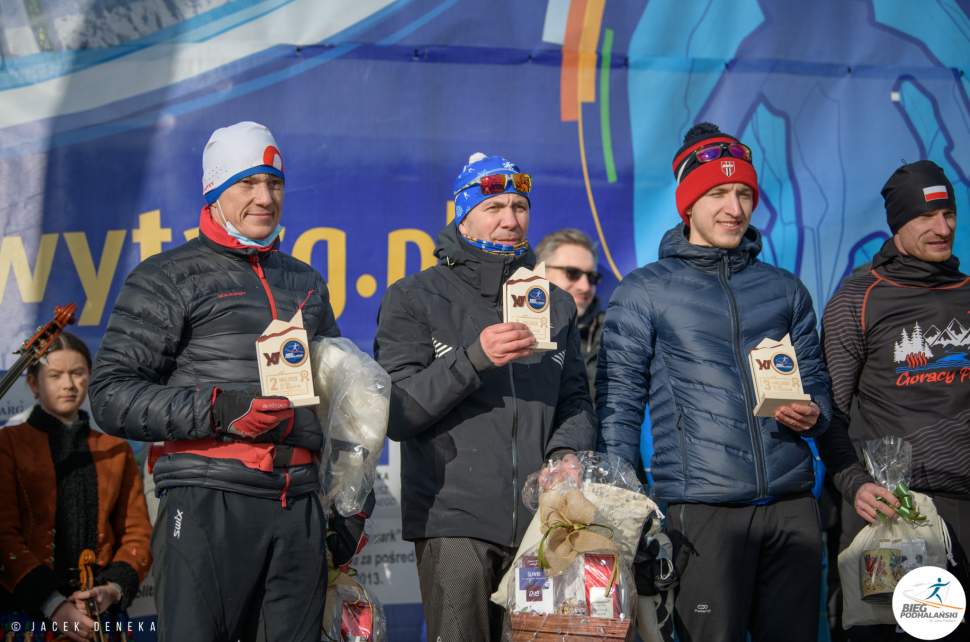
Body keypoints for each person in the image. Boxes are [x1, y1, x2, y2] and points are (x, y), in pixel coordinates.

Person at [89, 122, 361, 642]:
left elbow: (337, 396)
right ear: (214, 191)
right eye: (248, 183)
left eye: (275, 184)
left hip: (297, 507)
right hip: (207, 498)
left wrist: (348, 503)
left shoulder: (303, 280)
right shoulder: (168, 275)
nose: (265, 198)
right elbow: (110, 395)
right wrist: (222, 408)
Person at [597, 123, 833, 642]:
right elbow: (618, 407)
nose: (734, 207)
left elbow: (817, 385)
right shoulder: (644, 292)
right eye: (718, 193)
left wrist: (815, 413)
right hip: (699, 515)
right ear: (687, 204)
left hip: (792, 509)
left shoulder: (784, 289)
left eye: (744, 193)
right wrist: (622, 507)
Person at [373, 153, 596, 642]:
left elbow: (576, 397)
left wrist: (564, 452)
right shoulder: (414, 297)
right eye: (494, 205)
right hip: (455, 522)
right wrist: (473, 359)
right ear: (462, 211)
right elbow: (397, 411)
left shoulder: (553, 300)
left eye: (520, 206)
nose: (510, 219)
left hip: (543, 528)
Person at [818, 160, 969, 641]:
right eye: (925, 217)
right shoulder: (858, 298)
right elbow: (830, 415)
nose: (941, 228)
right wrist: (855, 484)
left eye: (949, 214)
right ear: (898, 223)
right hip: (895, 514)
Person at [0, 332, 152, 642]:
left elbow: (137, 533)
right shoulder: (8, 445)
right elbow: (4, 536)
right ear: (32, 384)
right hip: (28, 617)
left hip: (100, 617)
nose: (69, 384)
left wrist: (111, 589)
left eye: (78, 373)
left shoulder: (115, 449)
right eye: (55, 375)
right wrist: (54, 605)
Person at [535, 228, 604, 399]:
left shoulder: (613, 333)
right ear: (539, 272)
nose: (585, 287)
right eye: (572, 273)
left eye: (592, 277)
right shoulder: (512, 327)